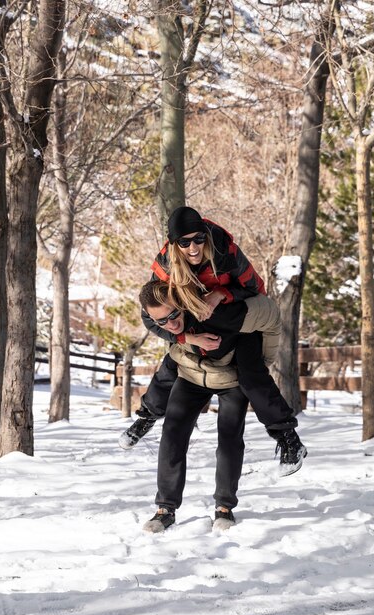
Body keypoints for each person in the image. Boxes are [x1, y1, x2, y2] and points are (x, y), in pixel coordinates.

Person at [120, 207, 307, 475]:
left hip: (240, 322)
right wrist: (185, 336)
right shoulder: (165, 267)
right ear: (174, 244)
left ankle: (289, 440)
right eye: (184, 242)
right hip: (196, 324)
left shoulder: (225, 252)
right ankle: (147, 416)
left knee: (251, 374)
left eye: (198, 239)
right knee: (176, 356)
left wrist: (221, 293)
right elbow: (151, 314)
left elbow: (256, 289)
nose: (193, 247)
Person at [140, 282, 249, 533]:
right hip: (191, 374)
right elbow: (154, 319)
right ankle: (165, 508)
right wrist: (186, 336)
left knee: (230, 438)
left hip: (230, 374)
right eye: (162, 320)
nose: (170, 322)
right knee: (172, 435)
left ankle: (224, 507)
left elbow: (254, 295)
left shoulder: (211, 294)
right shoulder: (159, 309)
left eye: (173, 314)